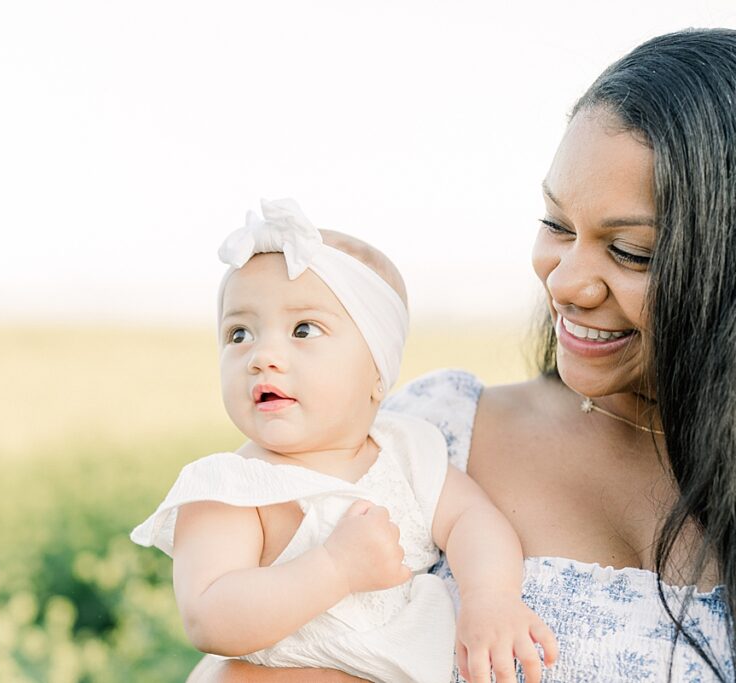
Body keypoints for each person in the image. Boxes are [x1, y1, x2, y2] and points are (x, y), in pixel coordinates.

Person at [188, 28, 736, 683]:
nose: (563, 280)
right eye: (557, 225)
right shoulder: (432, 432)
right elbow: (248, 650)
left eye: (631, 252)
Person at [132, 198, 557, 683]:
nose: (262, 356)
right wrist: (334, 567)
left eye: (303, 329)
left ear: (377, 371)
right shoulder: (230, 487)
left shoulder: (409, 453)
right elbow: (209, 617)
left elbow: (473, 521)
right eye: (239, 334)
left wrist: (490, 598)